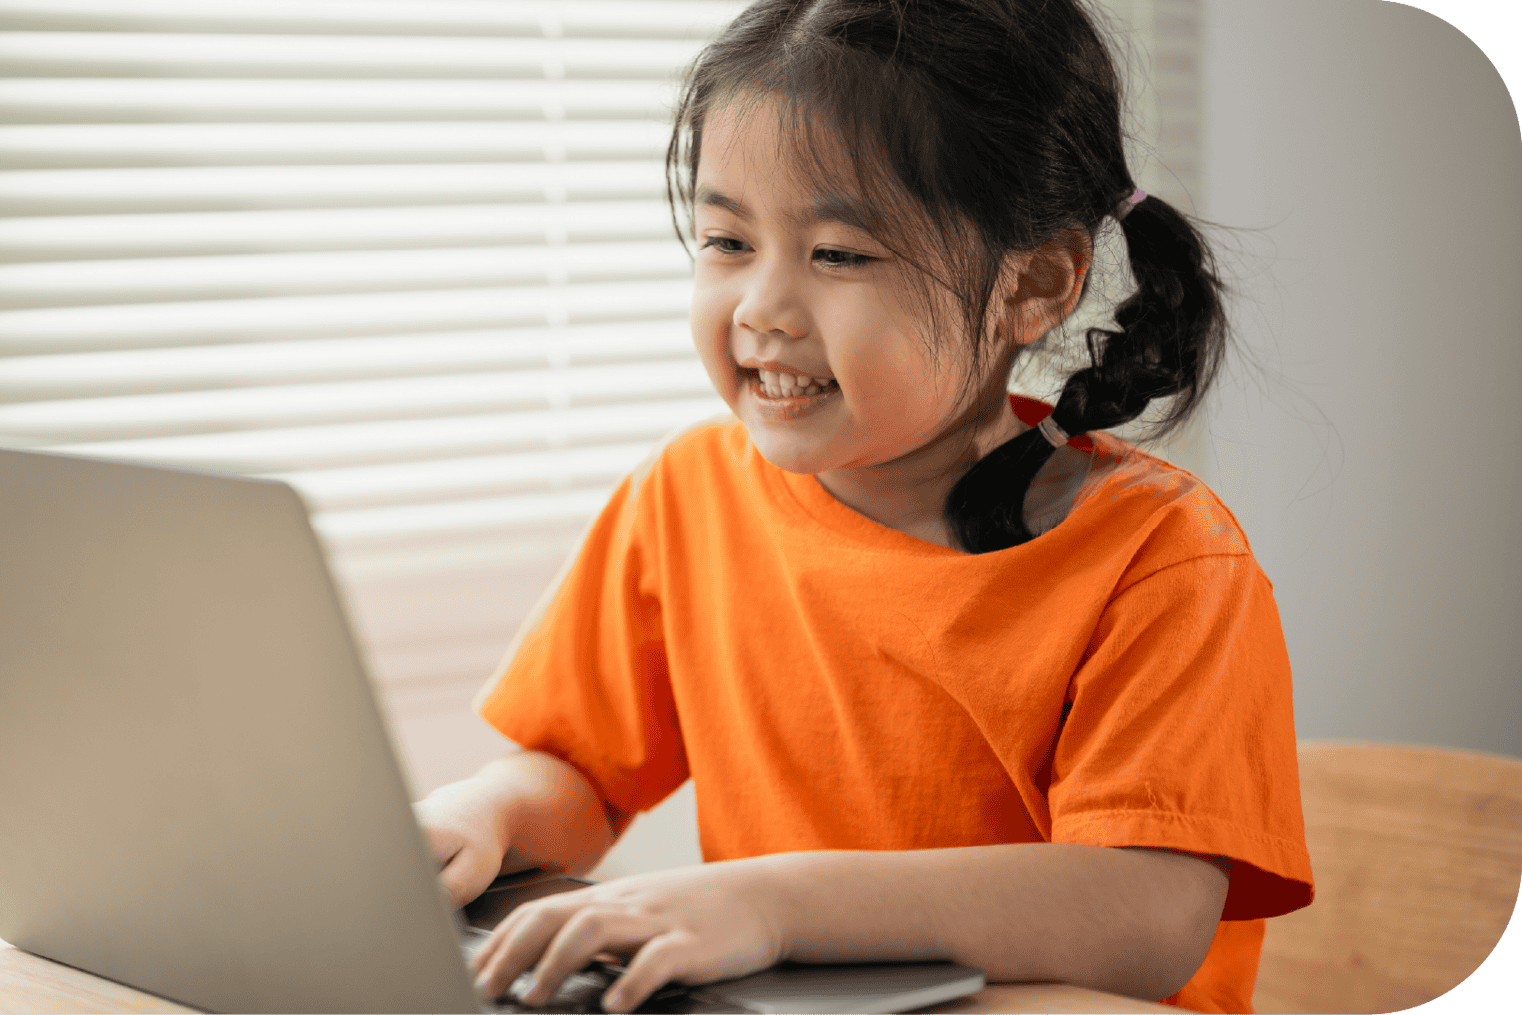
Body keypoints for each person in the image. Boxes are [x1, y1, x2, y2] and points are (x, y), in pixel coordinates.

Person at [411, 1, 1313, 1012]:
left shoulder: (1164, 559)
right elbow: (578, 776)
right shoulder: (688, 495)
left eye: (837, 254)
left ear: (1036, 283)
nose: (760, 308)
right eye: (724, 239)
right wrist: (481, 813)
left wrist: (779, 903)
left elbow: (1145, 918)